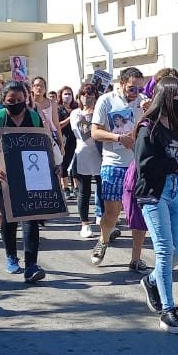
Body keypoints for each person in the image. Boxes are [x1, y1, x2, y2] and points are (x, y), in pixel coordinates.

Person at [134, 76, 178, 334]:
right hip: (155, 194)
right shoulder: (147, 128)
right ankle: (168, 310)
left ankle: (152, 281)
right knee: (164, 250)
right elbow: (145, 167)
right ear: (164, 98)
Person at [0, 82, 48, 282]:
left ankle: (31, 265)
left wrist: (53, 167)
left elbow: (43, 145)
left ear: (26, 99)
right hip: (2, 177)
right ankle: (11, 256)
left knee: (31, 218)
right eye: (11, 101)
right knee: (8, 218)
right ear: (4, 100)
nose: (16, 104)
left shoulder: (34, 118)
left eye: (20, 100)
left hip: (29, 175)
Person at [90, 67, 147, 269]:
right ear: (122, 83)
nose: (136, 92)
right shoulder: (106, 100)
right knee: (112, 212)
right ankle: (103, 240)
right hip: (113, 162)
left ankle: (136, 258)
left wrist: (149, 110)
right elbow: (95, 132)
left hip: (138, 163)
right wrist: (118, 138)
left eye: (139, 88)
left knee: (140, 212)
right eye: (132, 88)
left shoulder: (143, 101)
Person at [69, 84, 102, 239]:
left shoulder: (100, 111)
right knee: (84, 191)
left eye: (91, 95)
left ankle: (102, 218)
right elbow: (84, 133)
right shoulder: (75, 113)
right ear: (79, 97)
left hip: (101, 154)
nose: (87, 98)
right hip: (82, 154)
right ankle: (85, 223)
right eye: (84, 95)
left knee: (102, 190)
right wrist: (89, 115)